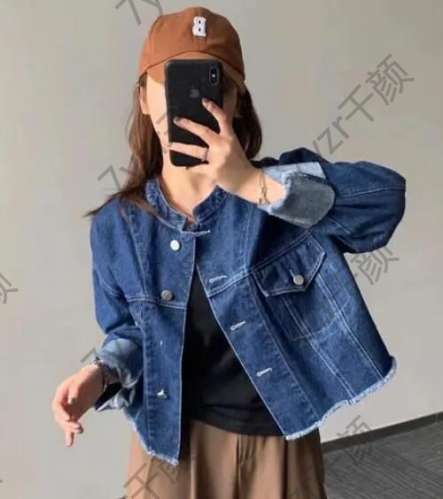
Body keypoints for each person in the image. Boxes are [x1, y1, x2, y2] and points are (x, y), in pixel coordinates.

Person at [51, 5, 406, 499]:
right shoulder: (119, 226)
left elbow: (384, 203)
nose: (190, 102)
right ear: (144, 97)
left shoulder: (282, 193)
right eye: (172, 83)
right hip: (170, 443)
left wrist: (252, 184)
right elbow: (130, 332)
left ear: (236, 101)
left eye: (211, 84)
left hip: (280, 440)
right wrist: (100, 375)